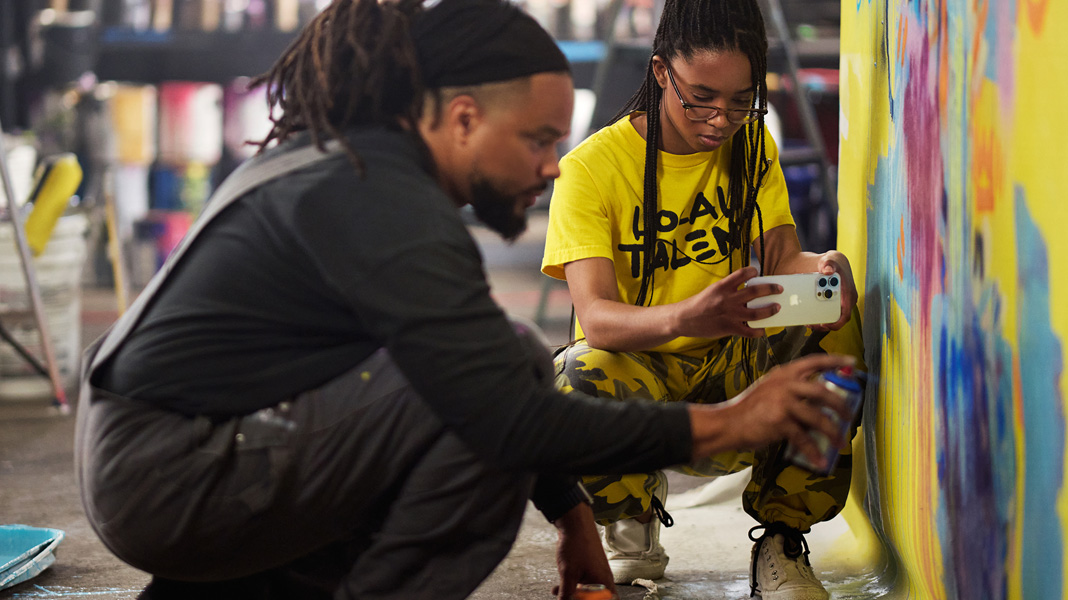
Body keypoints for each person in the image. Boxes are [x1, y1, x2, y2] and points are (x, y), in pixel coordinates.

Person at [75, 0, 856, 598]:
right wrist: (728, 422)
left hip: (177, 453)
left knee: (507, 357)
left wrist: (572, 517)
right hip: (167, 474)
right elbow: (507, 416)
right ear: (463, 118)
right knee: (481, 436)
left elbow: (497, 373)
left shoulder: (360, 166)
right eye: (538, 141)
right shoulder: (381, 201)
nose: (552, 167)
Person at [542, 0, 866, 598]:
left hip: (734, 374)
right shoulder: (589, 169)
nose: (721, 119)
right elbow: (598, 319)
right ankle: (631, 514)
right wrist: (691, 316)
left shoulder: (751, 145)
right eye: (701, 98)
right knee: (575, 375)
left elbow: (782, 261)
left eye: (742, 100)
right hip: (645, 385)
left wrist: (824, 268)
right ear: (661, 71)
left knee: (833, 321)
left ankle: (783, 538)